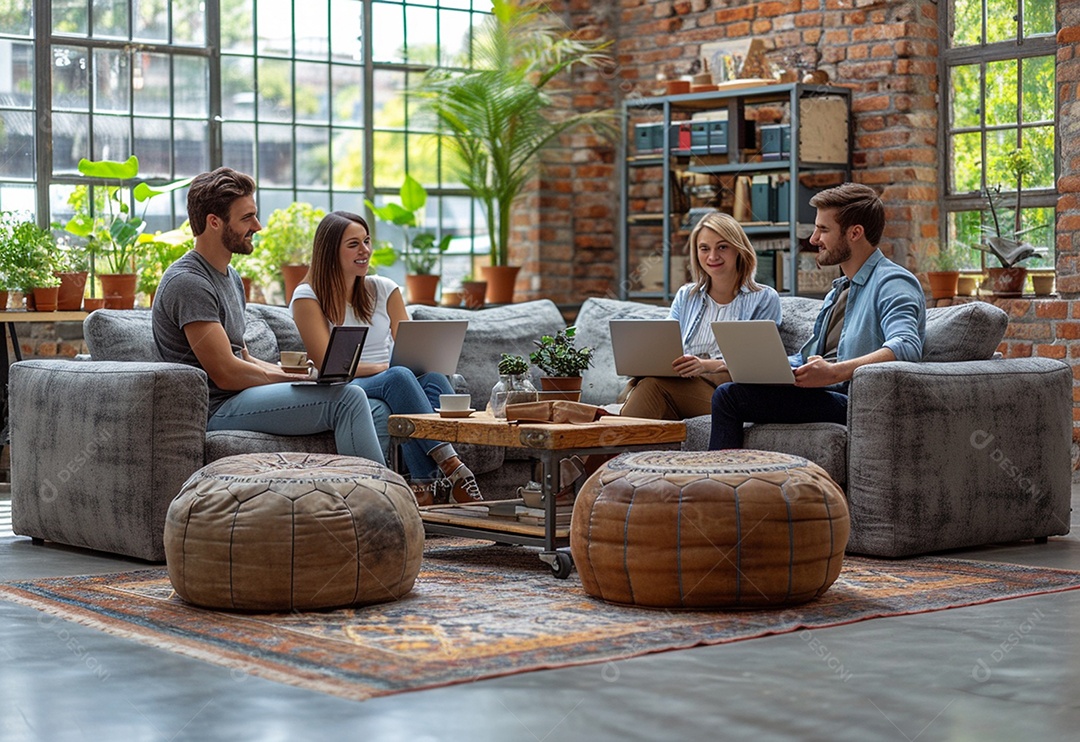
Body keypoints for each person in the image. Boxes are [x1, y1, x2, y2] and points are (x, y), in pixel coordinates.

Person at [152, 168, 385, 463]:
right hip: (218, 407)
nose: (258, 226)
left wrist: (302, 375)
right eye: (247, 218)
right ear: (214, 222)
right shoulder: (190, 283)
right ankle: (382, 497)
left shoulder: (230, 277)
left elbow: (243, 356)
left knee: (368, 402)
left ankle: (360, 494)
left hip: (239, 397)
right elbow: (226, 373)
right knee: (347, 399)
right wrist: (290, 379)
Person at [709, 182, 926, 450]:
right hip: (825, 391)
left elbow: (906, 345)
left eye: (823, 229)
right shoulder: (840, 289)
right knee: (734, 385)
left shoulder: (893, 282)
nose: (813, 239)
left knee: (729, 397)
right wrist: (756, 364)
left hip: (853, 399)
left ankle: (720, 486)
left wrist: (834, 372)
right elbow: (809, 355)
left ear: (855, 233)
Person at [290, 210, 483, 505]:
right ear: (330, 251)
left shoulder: (384, 289)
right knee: (399, 377)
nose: (364, 250)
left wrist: (407, 365)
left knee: (432, 379)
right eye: (353, 244)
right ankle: (452, 465)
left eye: (366, 241)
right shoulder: (307, 296)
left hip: (391, 381)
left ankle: (425, 490)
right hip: (343, 386)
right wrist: (389, 368)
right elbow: (328, 363)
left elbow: (410, 347)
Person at [620, 211, 782, 421]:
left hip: (731, 395)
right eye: (704, 248)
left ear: (738, 249)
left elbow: (759, 365)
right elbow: (667, 347)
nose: (712, 256)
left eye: (722, 247)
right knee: (650, 388)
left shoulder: (764, 298)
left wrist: (705, 366)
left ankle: (606, 453)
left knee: (651, 388)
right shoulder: (686, 296)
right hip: (681, 387)